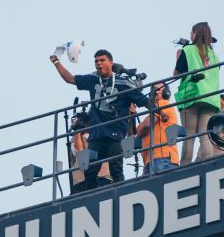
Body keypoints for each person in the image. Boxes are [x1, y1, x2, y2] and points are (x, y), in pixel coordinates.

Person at [51, 49, 148, 186]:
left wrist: (161, 110)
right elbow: (70, 79)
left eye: (102, 60)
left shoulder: (124, 83)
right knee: (90, 171)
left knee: (116, 169)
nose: (98, 63)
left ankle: (121, 194)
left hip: (115, 135)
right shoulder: (93, 79)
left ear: (111, 63)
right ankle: (93, 198)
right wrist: (56, 62)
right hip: (96, 136)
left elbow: (145, 101)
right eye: (96, 61)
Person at [174, 22, 222, 163]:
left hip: (191, 96)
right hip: (211, 98)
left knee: (189, 136)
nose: (190, 35)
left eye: (191, 32)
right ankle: (208, 163)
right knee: (205, 134)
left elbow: (176, 74)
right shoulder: (214, 55)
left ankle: (184, 167)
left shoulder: (188, 50)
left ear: (195, 34)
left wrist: (178, 57)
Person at [136, 81, 180, 175]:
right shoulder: (149, 115)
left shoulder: (163, 103)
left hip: (162, 158)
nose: (155, 91)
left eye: (158, 89)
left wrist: (138, 135)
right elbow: (132, 134)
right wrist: (131, 115)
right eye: (153, 89)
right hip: (150, 161)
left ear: (166, 93)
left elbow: (147, 125)